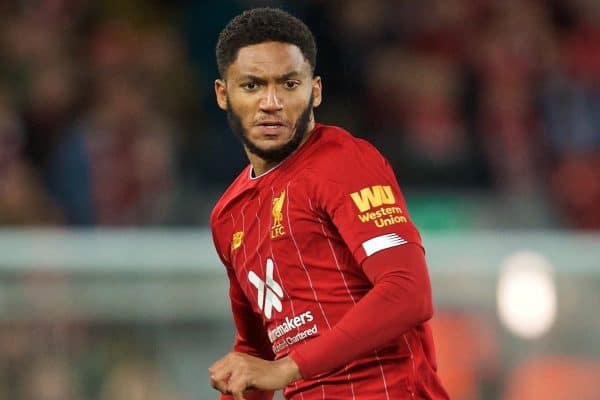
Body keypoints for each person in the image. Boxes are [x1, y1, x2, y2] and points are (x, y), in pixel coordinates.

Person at [209, 7, 449, 400]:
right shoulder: (228, 216)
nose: (271, 102)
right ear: (224, 94)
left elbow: (408, 291)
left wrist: (288, 368)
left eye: (288, 84)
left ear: (315, 90)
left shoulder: (343, 163)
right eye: (252, 86)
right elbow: (256, 352)